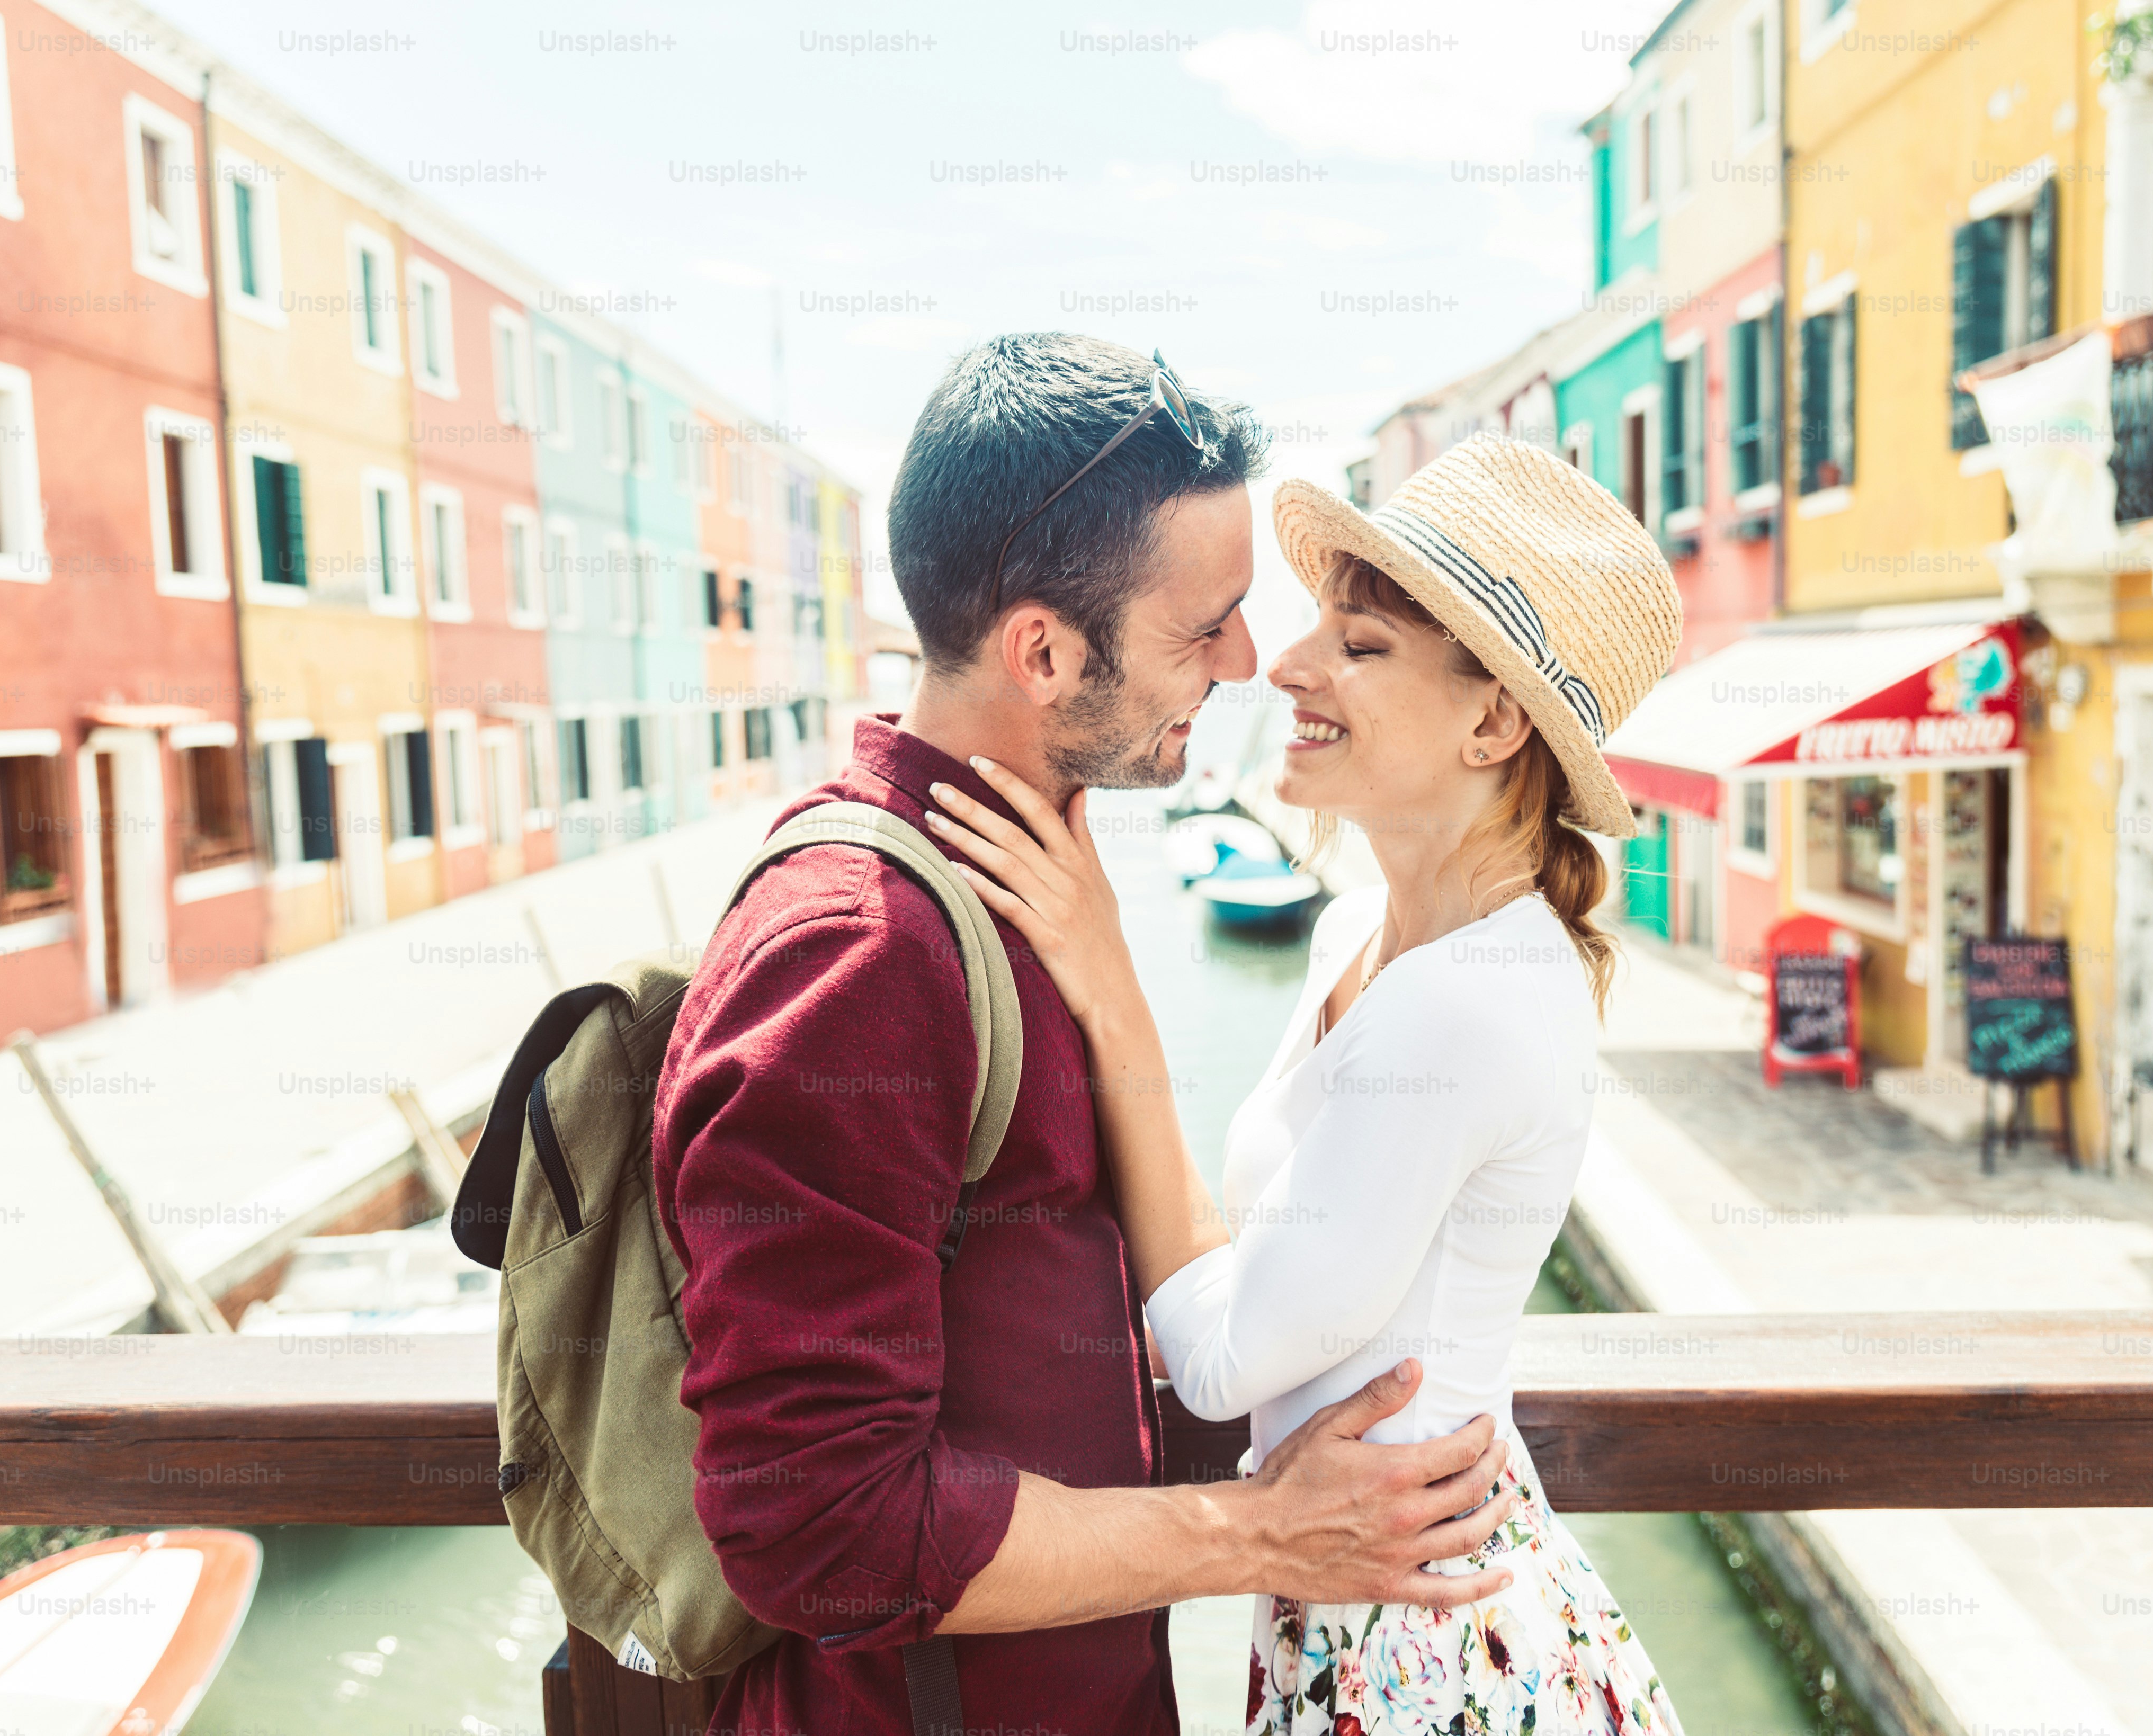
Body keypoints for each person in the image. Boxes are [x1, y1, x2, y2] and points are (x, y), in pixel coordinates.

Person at [652, 335, 1523, 1736]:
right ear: (1044, 650)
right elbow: (816, 1522)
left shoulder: (1009, 889)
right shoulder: (861, 951)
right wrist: (1259, 1530)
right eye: (1204, 626)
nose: (1248, 662)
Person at [932, 432, 1689, 1733]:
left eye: (1361, 644)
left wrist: (1109, 985)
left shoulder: (1463, 1004)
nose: (1283, 665)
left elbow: (1224, 1364)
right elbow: (1258, 1276)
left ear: (1494, 720)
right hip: (1361, 1605)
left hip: (1428, 1654)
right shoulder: (1358, 936)